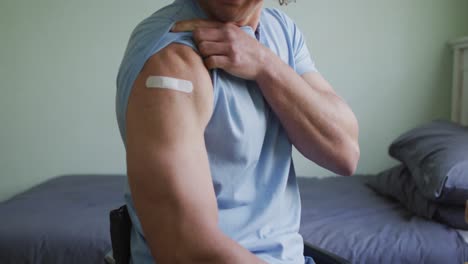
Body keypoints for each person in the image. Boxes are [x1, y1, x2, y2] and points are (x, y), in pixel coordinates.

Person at [115, 0, 360, 263]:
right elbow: (185, 249)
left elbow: (345, 153)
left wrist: (265, 64)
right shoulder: (171, 62)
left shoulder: (280, 31)